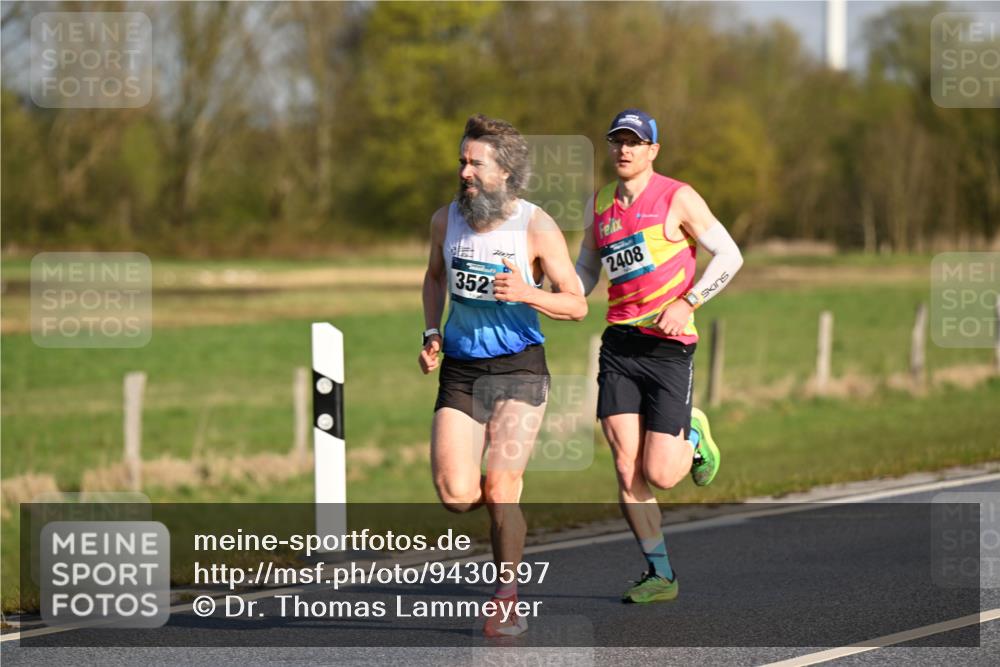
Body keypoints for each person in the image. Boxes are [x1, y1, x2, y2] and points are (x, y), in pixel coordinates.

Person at [419, 113, 587, 636]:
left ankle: (506, 598)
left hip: (518, 368)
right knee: (456, 494)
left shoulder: (535, 225)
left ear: (506, 173)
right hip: (462, 370)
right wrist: (430, 333)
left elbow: (577, 305)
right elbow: (433, 276)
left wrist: (528, 293)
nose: (465, 172)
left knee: (503, 487)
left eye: (476, 163)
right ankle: (498, 505)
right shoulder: (445, 220)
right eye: (462, 161)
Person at [575, 109, 743, 603]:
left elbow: (730, 255)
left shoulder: (677, 197)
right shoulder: (600, 204)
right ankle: (660, 574)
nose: (623, 150)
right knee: (627, 469)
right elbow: (587, 269)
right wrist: (555, 293)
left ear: (653, 150)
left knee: (663, 475)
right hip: (620, 346)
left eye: (634, 142)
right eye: (616, 142)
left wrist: (687, 300)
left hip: (669, 347)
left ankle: (692, 431)